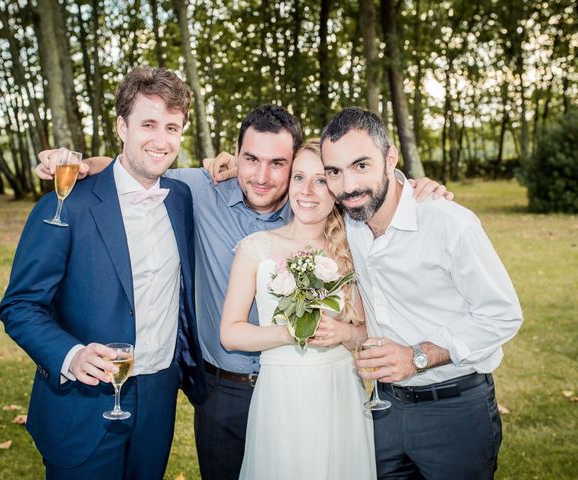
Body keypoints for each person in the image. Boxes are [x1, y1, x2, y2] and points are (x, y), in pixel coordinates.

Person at [36, 104, 449, 480]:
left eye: (278, 164)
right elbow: (130, 169)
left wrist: (410, 184)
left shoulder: (320, 215)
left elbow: (363, 181)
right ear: (234, 155)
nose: (262, 176)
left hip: (316, 388)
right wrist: (77, 162)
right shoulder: (197, 189)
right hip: (224, 390)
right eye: (250, 159)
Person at [0, 66, 206, 479]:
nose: (161, 140)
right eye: (148, 124)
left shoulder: (181, 197)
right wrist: (71, 356)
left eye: (172, 127)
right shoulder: (66, 202)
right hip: (83, 402)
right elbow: (20, 305)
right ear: (121, 127)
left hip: (157, 399)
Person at [320, 107, 523, 479]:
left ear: (390, 158)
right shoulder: (350, 221)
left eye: (361, 166)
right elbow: (287, 184)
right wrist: (237, 168)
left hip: (454, 411)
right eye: (334, 171)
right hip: (384, 411)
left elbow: (502, 314)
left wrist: (417, 357)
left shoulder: (448, 223)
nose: (347, 185)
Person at [219, 139, 376, 479]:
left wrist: (344, 332)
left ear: (335, 188)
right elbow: (230, 334)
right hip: (281, 393)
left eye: (321, 180)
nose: (308, 191)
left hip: (338, 392)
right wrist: (289, 333)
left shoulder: (351, 250)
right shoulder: (255, 249)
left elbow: (367, 333)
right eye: (299, 178)